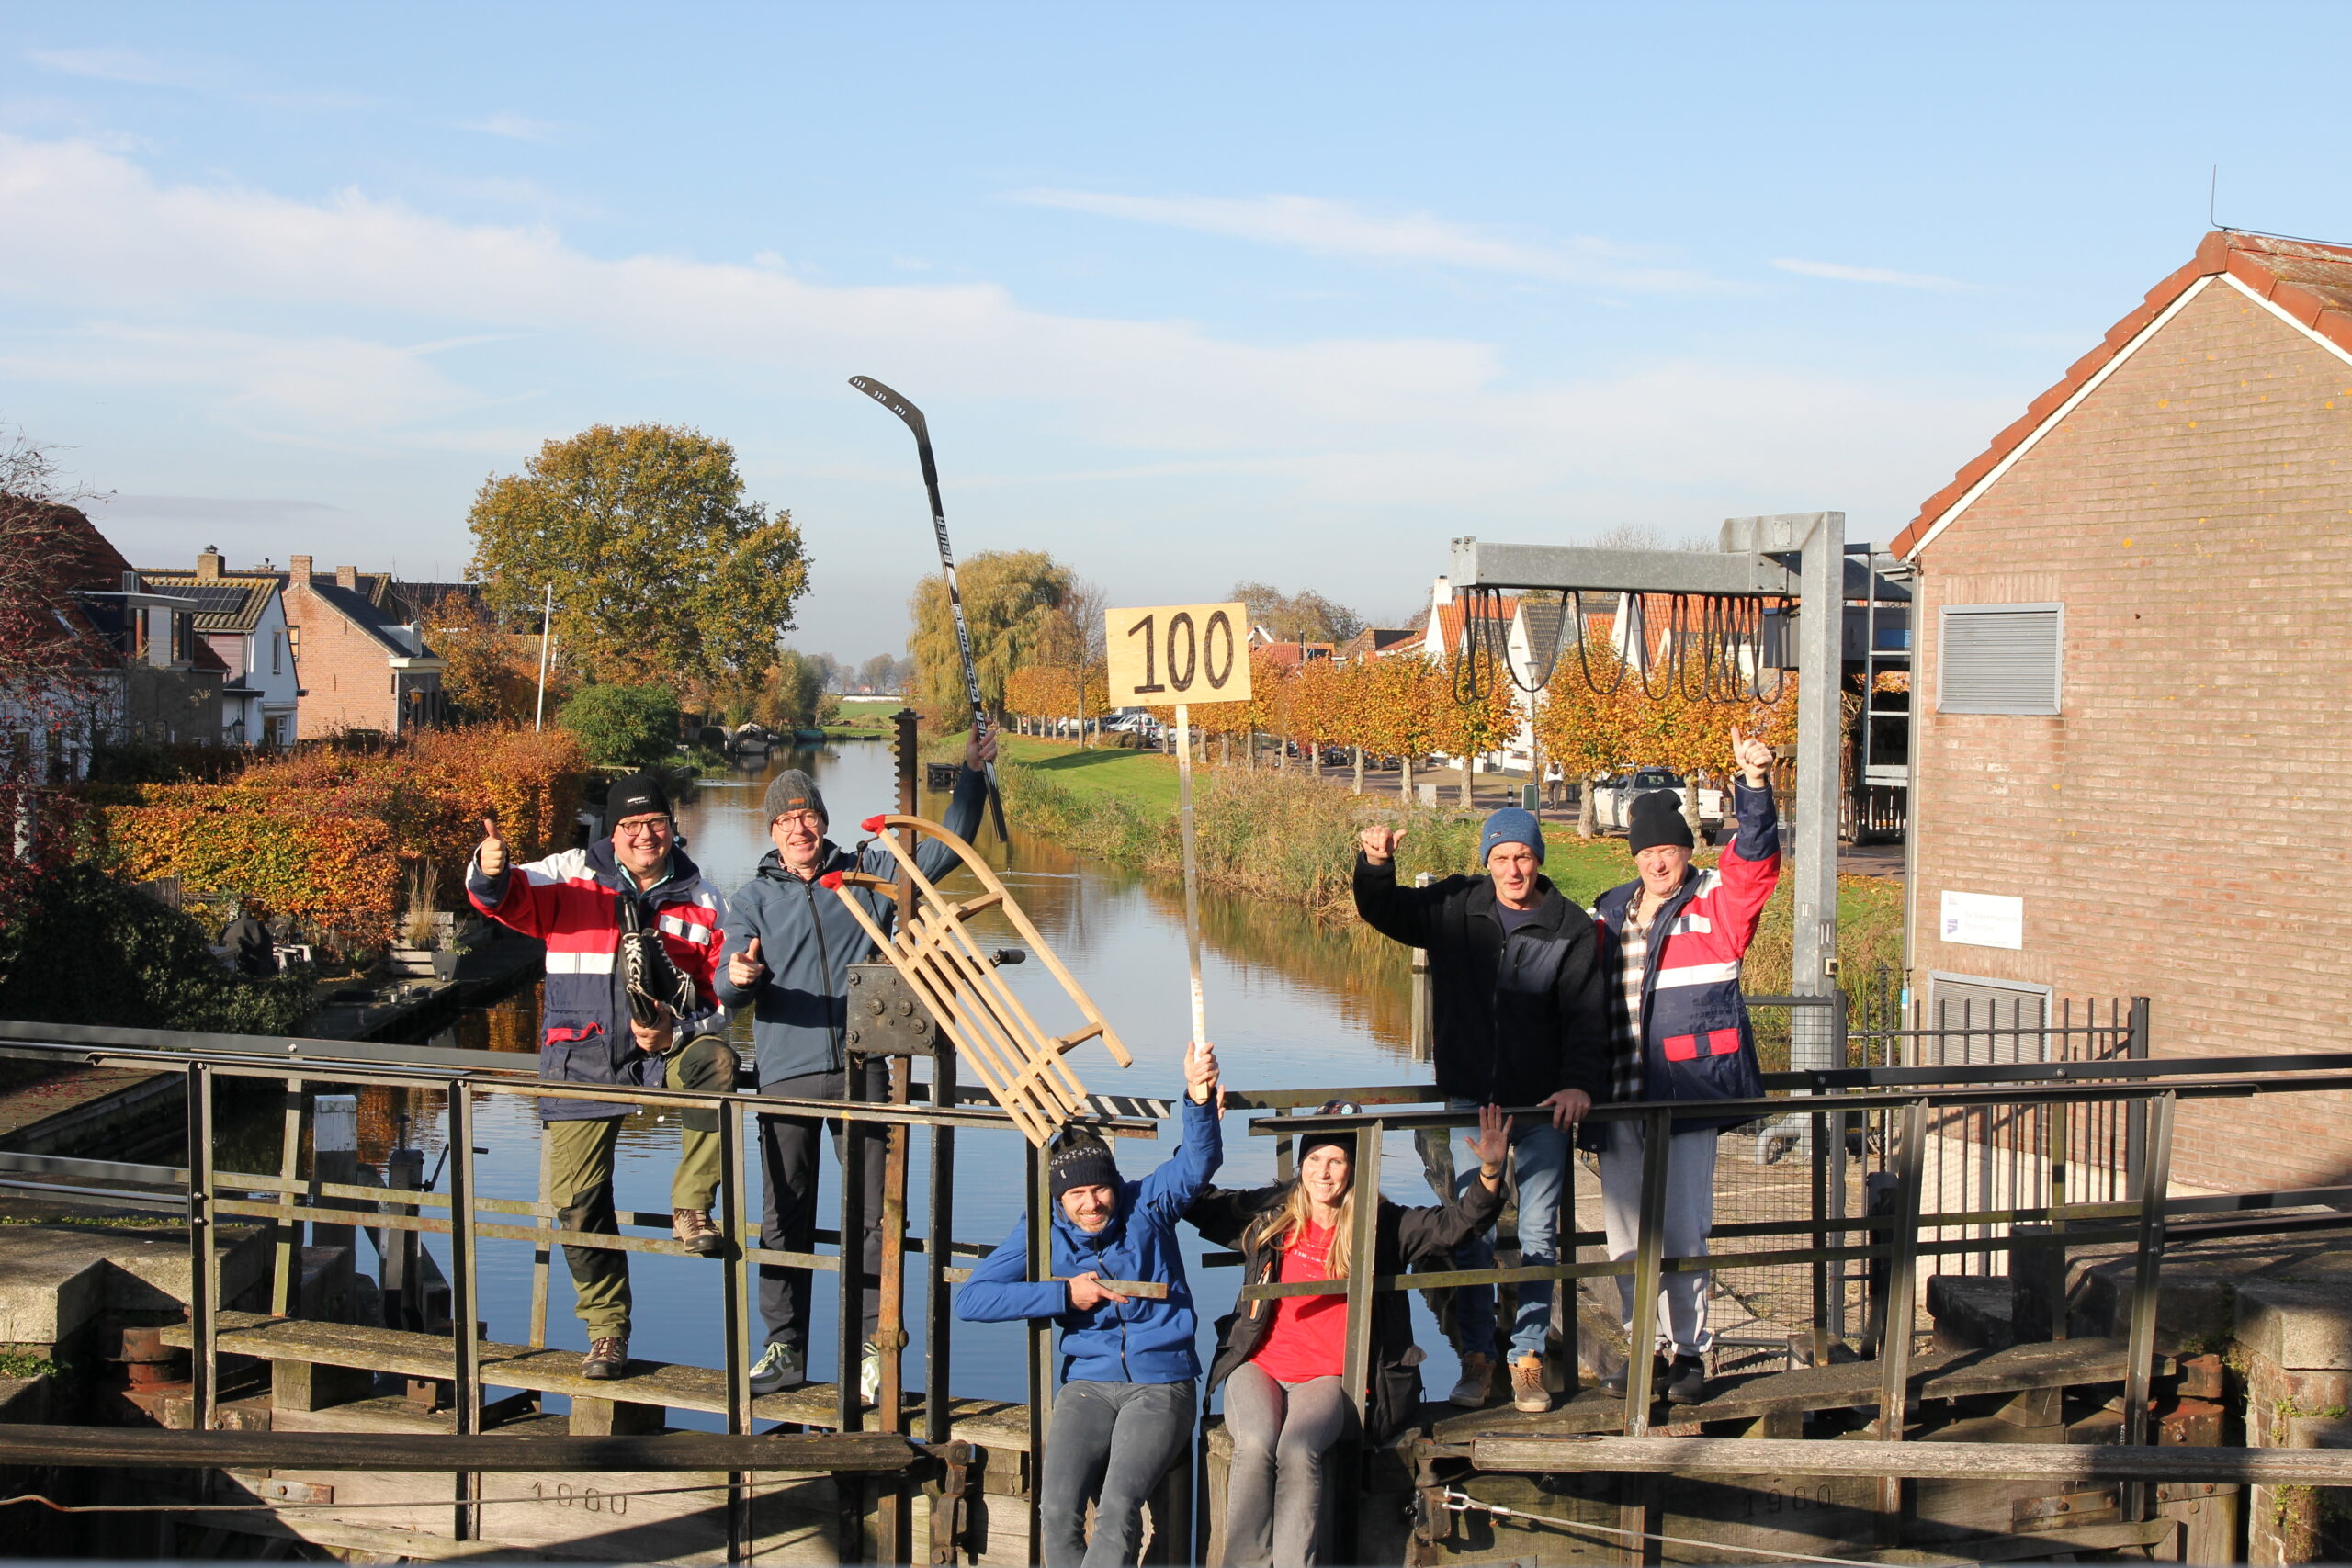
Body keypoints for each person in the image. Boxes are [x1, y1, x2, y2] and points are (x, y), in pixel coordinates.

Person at [713, 729, 997, 1399]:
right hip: (786, 1073)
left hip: (862, 1071)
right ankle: (784, 1348)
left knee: (876, 1214)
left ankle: (876, 1345)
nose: (798, 827)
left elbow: (944, 847)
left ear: (822, 820)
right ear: (774, 831)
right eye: (785, 819)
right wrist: (741, 972)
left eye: (806, 815)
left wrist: (973, 776)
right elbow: (727, 986)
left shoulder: (865, 877)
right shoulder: (754, 898)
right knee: (785, 1215)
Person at [468, 772, 736, 1381]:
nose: (646, 835)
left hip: (663, 1054)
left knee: (717, 1061)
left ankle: (692, 1204)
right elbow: (501, 896)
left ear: (673, 828)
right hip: (582, 1058)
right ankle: (606, 1329)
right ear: (612, 833)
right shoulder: (570, 875)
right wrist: (488, 868)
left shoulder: (706, 898)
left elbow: (719, 996)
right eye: (632, 826)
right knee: (578, 1203)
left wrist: (677, 1028)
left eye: (657, 824)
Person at [1351, 808, 1608, 1413]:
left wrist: (1578, 1084)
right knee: (1473, 1228)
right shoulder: (1455, 905)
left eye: (1522, 856)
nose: (1513, 868)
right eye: (1501, 857)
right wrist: (1376, 866)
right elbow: (1384, 912)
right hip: (1473, 1096)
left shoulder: (1569, 926)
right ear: (1486, 861)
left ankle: (1527, 1358)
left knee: (1540, 1233)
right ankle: (1476, 1356)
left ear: (1538, 859)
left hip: (1543, 1103)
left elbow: (1586, 1017)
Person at [1189, 1103, 1512, 1568]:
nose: (1324, 1172)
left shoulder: (1380, 1226)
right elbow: (1195, 1201)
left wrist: (1489, 1171)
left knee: (1299, 1450)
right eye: (1315, 1159)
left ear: (1353, 1168)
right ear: (1301, 1165)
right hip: (1259, 1366)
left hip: (1327, 1377)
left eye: (1336, 1161)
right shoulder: (1269, 1215)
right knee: (1256, 1443)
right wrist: (1201, 1121)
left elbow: (1454, 1227)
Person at [956, 1043, 1223, 1568]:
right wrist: (1062, 1294)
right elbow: (972, 1298)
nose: (1090, 1203)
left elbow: (1198, 1162)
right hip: (1088, 1383)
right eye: (1075, 1195)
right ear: (1058, 1199)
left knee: (1119, 1506)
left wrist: (1197, 1097)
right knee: (1055, 1509)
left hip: (1161, 1383)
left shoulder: (1148, 1204)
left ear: (1114, 1185)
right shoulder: (1042, 1230)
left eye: (1099, 1189)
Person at [1589, 727, 1780, 1406]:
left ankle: (1691, 1351)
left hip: (1687, 1096)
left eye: (1669, 849)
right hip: (1619, 1102)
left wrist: (1753, 787)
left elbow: (1754, 863)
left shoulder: (1714, 907)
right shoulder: (1608, 911)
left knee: (1683, 1227)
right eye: (1648, 851)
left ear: (1683, 851)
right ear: (1635, 854)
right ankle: (1646, 1347)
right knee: (1626, 1234)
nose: (1659, 862)